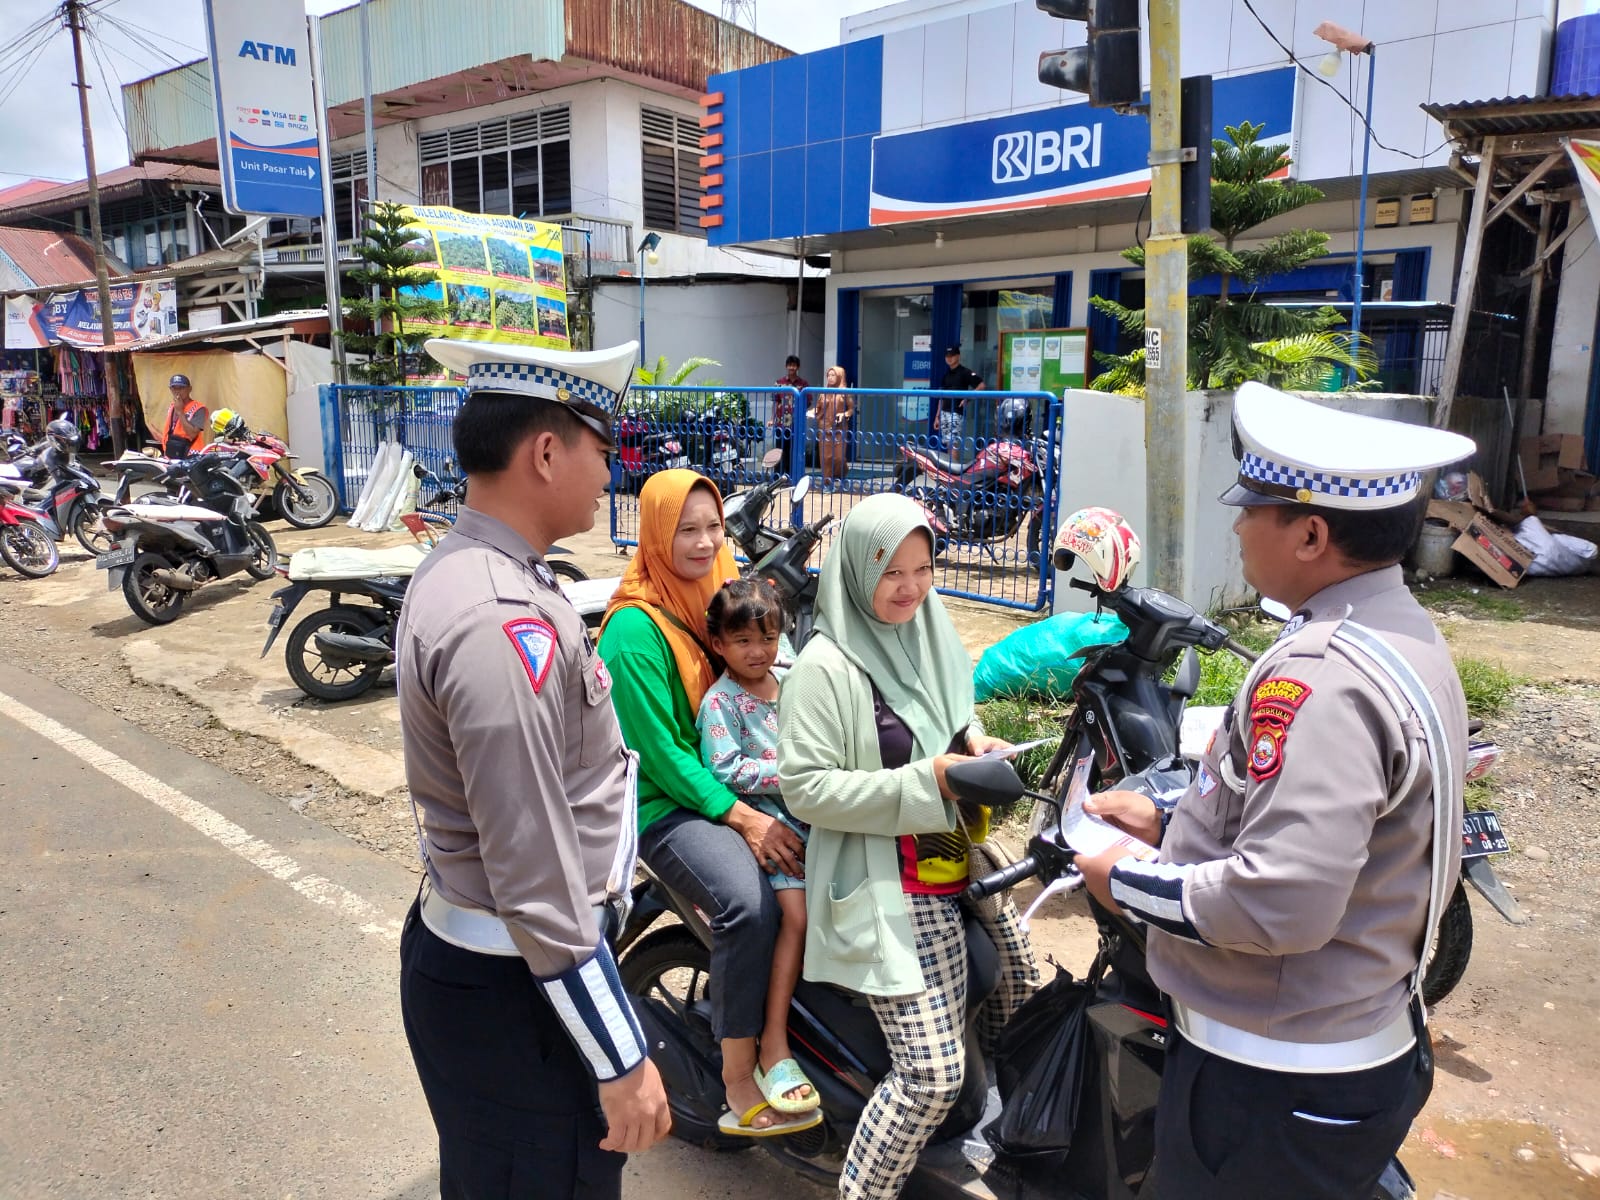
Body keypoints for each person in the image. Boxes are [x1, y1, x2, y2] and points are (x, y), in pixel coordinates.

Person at [1074, 383, 1477, 1200]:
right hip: (1344, 1044)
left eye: (1252, 508)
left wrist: (1118, 874)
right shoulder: (1401, 633)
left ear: (1312, 533)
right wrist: (1168, 815)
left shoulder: (1323, 673)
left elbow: (1278, 904)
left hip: (1274, 1080)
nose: (1236, 524)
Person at [394, 338, 671, 1200]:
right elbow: (533, 869)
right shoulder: (495, 616)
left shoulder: (494, 572)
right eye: (604, 445)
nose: (611, 470)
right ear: (546, 452)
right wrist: (619, 1055)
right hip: (523, 984)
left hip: (518, 971)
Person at [778, 493, 1040, 1200]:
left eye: (923, 568)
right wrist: (928, 782)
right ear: (858, 571)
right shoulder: (825, 668)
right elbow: (804, 788)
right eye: (891, 571)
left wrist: (975, 742)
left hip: (955, 861)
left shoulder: (928, 631)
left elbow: (950, 715)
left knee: (1023, 990)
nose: (911, 587)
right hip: (886, 881)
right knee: (930, 1073)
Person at [598, 469, 819, 1137]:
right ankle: (736, 1077)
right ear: (656, 534)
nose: (701, 542)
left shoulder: (720, 592)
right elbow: (662, 756)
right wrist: (744, 816)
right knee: (748, 906)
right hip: (668, 805)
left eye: (712, 527)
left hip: (730, 789)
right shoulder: (633, 632)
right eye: (684, 530)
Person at [697, 578, 820, 1121]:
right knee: (795, 916)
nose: (758, 652)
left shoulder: (792, 680)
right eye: (743, 640)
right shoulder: (721, 704)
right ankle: (773, 1041)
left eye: (768, 638)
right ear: (719, 644)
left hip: (819, 814)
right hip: (772, 826)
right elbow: (725, 769)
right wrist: (792, 775)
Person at [813, 364, 854, 486]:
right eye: (828, 375)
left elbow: (851, 408)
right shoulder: (824, 392)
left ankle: (841, 474)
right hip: (824, 428)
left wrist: (844, 414)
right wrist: (813, 412)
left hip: (840, 428)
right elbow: (818, 408)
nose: (830, 378)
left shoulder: (844, 392)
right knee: (826, 458)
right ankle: (827, 483)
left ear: (840, 376)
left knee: (838, 457)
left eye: (833, 375)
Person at [935, 346, 983, 448]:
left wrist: (968, 398)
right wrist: (937, 416)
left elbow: (981, 385)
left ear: (958, 356)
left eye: (952, 355)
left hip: (956, 412)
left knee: (953, 443)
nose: (949, 358)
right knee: (948, 443)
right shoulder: (946, 374)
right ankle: (949, 464)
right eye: (947, 356)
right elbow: (941, 397)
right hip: (944, 412)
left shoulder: (965, 372)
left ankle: (954, 464)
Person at [770, 354, 810, 467]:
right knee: (780, 449)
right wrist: (772, 418)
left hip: (796, 422)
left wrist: (798, 412)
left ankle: (792, 477)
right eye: (790, 365)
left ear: (798, 367)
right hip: (780, 422)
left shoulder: (803, 384)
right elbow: (775, 401)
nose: (792, 368)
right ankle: (778, 476)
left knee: (795, 450)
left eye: (794, 365)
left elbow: (808, 401)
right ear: (786, 366)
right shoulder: (779, 383)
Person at [161, 374, 209, 457]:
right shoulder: (173, 406)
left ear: (189, 389)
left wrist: (180, 412)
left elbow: (192, 434)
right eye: (174, 388)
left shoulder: (199, 408)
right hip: (172, 452)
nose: (177, 391)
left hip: (191, 454)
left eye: (181, 388)